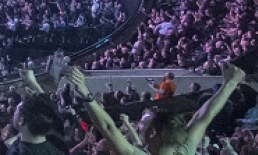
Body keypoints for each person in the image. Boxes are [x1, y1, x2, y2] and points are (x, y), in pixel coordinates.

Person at [66, 64, 246, 155]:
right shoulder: (184, 148)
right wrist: (230, 83)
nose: (138, 126)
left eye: (142, 124)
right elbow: (203, 116)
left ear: (153, 132)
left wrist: (83, 90)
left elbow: (107, 127)